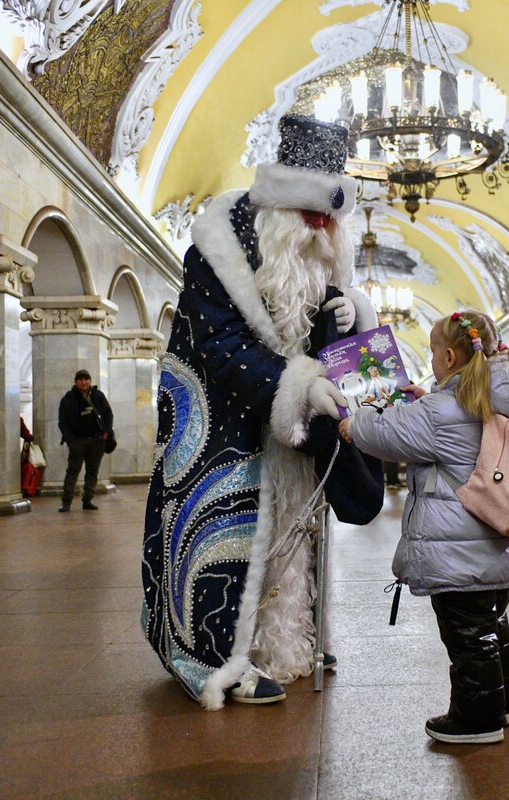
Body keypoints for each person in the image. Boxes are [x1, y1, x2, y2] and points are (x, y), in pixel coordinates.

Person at [141, 114, 383, 710]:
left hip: (290, 438)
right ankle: (215, 658)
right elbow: (219, 346)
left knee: (292, 540)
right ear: (280, 208)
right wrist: (300, 384)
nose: (323, 230)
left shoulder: (319, 257)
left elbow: (315, 342)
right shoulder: (216, 255)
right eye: (312, 217)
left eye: (331, 219)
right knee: (226, 543)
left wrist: (352, 315)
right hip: (221, 434)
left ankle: (284, 646)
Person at [340, 309, 509, 745]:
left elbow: (386, 433)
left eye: (433, 351)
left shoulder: (441, 410)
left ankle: (477, 720)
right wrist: (422, 398)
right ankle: (501, 704)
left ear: (449, 356)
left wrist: (353, 424)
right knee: (491, 625)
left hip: (458, 549)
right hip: (496, 541)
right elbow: (433, 423)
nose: (432, 360)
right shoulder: (496, 398)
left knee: (467, 635)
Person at [57, 369, 113, 512]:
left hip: (97, 440)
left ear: (90, 381)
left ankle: (88, 499)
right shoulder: (69, 398)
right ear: (76, 382)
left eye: (86, 379)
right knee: (73, 471)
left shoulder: (98, 396)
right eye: (81, 379)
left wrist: (106, 432)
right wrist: (70, 439)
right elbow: (62, 421)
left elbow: (108, 414)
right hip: (78, 441)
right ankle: (66, 501)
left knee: (92, 471)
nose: (84, 382)